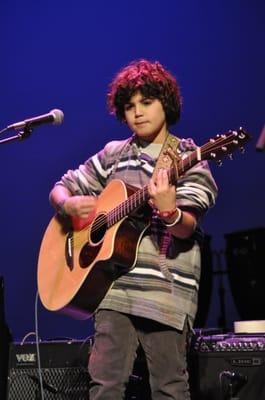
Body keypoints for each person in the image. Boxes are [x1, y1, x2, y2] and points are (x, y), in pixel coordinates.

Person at [49, 59, 218, 400]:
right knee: (105, 387)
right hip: (113, 290)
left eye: (147, 102)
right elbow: (61, 188)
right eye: (130, 106)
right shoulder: (114, 155)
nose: (138, 112)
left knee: (169, 388)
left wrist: (169, 211)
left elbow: (187, 228)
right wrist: (68, 205)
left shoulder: (189, 157)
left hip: (165, 295)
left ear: (165, 104)